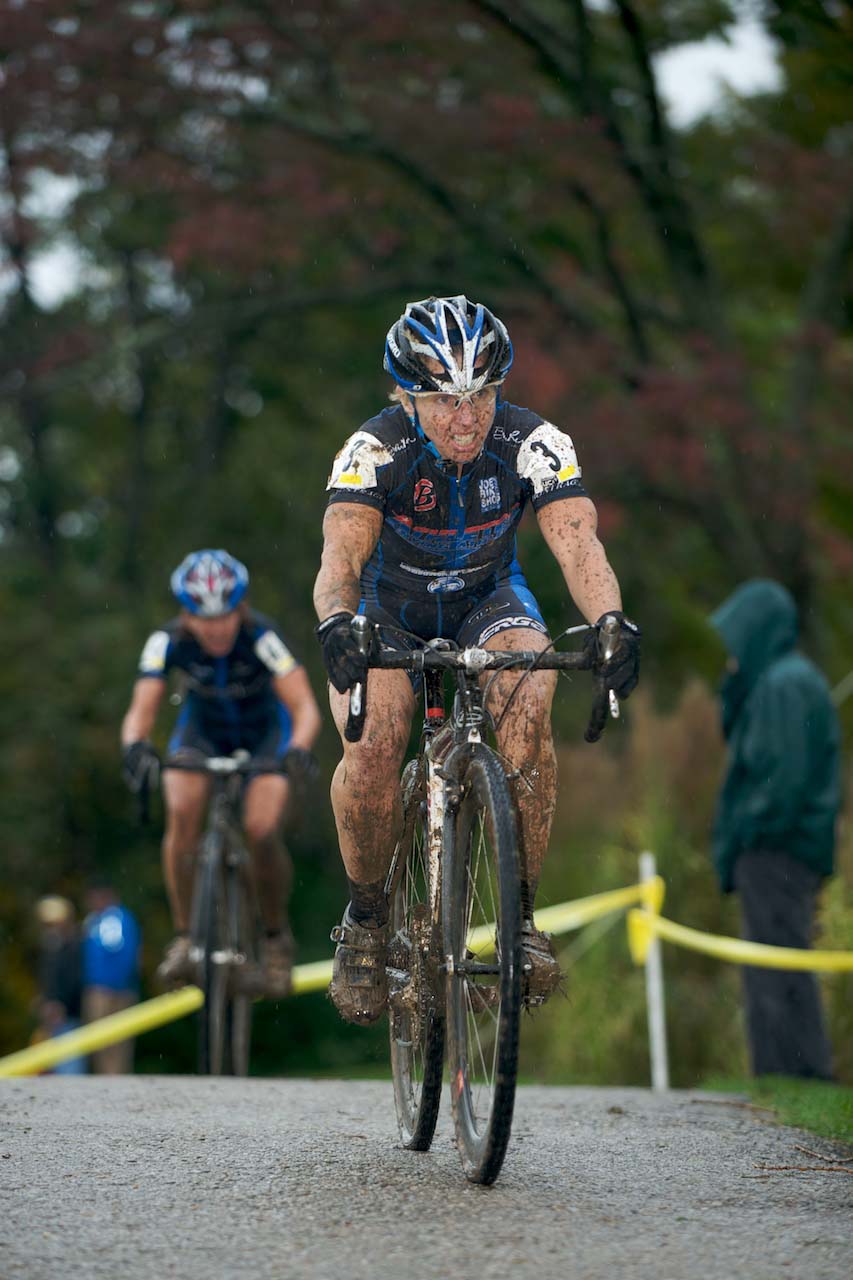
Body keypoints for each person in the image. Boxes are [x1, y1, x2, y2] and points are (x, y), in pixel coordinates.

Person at [313, 295, 640, 1025]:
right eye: (442, 401)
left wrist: (610, 622)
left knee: (528, 700)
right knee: (368, 746)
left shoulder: (535, 443)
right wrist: (336, 621)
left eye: (482, 396)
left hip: (490, 600)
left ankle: (520, 921)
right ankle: (366, 923)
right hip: (387, 608)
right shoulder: (374, 450)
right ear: (405, 396)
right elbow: (340, 555)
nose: (466, 418)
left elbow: (578, 543)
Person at [120, 549, 322, 998]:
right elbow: (141, 709)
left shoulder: (263, 636)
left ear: (241, 608)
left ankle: (274, 937)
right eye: (202, 618)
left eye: (225, 616)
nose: (215, 628)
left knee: (262, 828)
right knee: (182, 810)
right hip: (202, 734)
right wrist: (136, 746)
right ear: (185, 614)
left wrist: (298, 749)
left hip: (266, 736)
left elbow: (304, 706)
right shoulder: (166, 640)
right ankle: (186, 936)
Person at [710, 578, 840, 1080]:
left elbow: (782, 780)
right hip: (781, 849)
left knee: (777, 970)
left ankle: (794, 1075)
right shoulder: (785, 680)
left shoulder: (784, 685)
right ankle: (783, 1074)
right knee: (775, 965)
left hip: (777, 851)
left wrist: (748, 832)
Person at [81, 883, 141, 1074]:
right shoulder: (95, 921)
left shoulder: (115, 920)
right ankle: (108, 1076)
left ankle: (114, 1076)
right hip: (103, 988)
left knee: (116, 1039)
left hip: (111, 990)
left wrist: (116, 984)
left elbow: (126, 955)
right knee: (103, 1040)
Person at [33, 895, 86, 1074]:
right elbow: (49, 979)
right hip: (54, 1016)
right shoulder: (52, 946)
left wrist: (60, 1005)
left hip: (68, 1016)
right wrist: (44, 1000)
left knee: (69, 1067)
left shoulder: (74, 946)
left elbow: (74, 980)